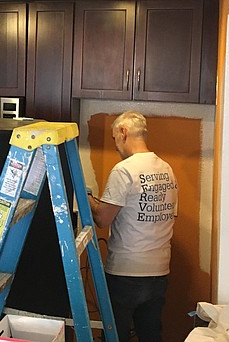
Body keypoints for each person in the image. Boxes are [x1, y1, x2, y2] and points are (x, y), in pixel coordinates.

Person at [87, 110, 178, 342]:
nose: (116, 145)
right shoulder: (166, 169)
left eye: (115, 138)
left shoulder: (124, 170)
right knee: (150, 335)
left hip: (126, 272)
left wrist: (86, 196)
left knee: (115, 336)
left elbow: (102, 218)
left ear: (123, 132)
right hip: (159, 271)